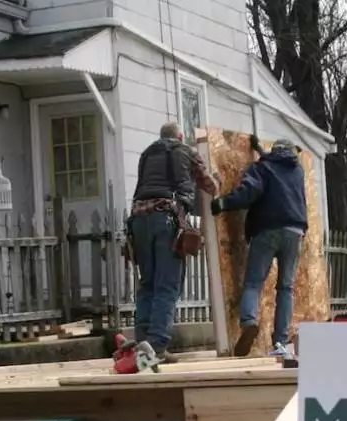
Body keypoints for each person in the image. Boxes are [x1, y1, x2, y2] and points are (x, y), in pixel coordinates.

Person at [127, 123, 219, 363]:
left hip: (138, 219)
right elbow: (208, 183)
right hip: (166, 217)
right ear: (180, 136)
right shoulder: (187, 151)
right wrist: (218, 184)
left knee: (148, 284)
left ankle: (141, 342)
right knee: (167, 285)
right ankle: (156, 346)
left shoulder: (147, 153)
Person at [210, 139, 308, 358]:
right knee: (286, 288)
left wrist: (223, 203)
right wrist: (260, 151)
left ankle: (249, 322)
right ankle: (281, 342)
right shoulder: (298, 171)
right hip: (295, 231)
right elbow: (277, 166)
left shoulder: (262, 167)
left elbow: (250, 191)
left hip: (267, 229)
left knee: (254, 282)